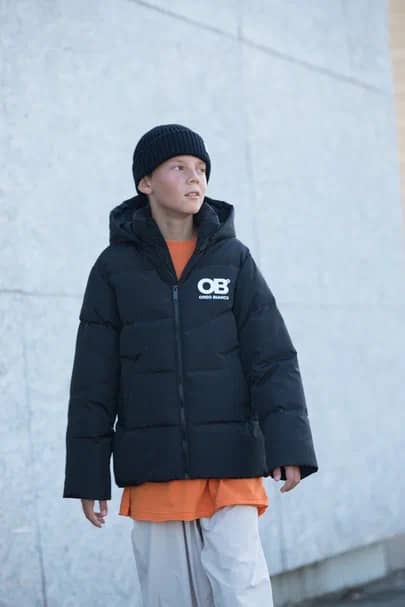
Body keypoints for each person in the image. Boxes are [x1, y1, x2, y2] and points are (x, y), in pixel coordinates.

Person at [63, 123, 319, 606]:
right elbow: (93, 380)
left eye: (201, 168)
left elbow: (272, 358)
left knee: (243, 592)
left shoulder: (234, 261)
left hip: (231, 463)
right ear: (146, 182)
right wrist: (87, 474)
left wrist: (288, 445)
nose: (194, 177)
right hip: (155, 466)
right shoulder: (113, 269)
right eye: (178, 167)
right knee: (171, 597)